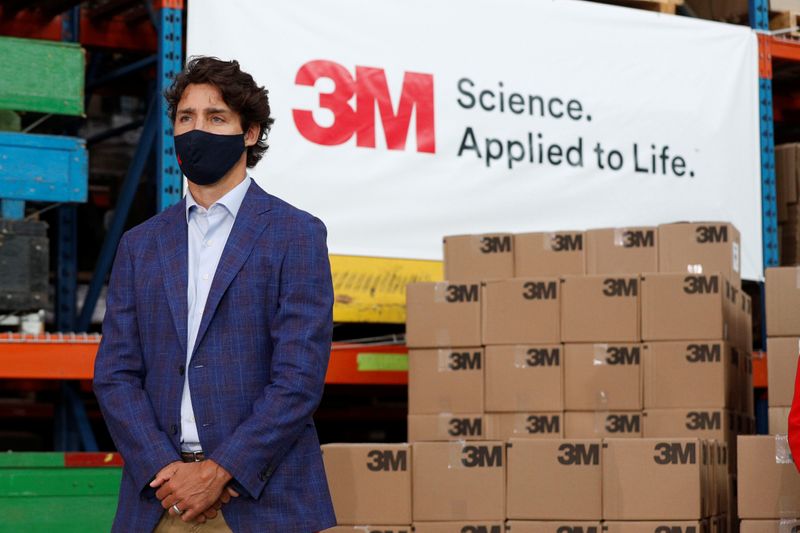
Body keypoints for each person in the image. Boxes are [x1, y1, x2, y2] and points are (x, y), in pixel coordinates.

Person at [93, 56, 336, 533]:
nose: (196, 129)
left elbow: (298, 380)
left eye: (216, 117)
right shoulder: (140, 244)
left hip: (263, 500)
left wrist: (219, 471)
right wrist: (168, 472)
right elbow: (115, 374)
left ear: (249, 132)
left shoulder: (296, 234)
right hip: (161, 501)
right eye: (186, 118)